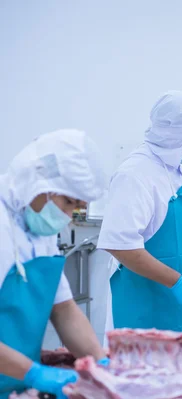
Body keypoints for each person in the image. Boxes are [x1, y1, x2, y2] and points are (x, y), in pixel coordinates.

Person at [0, 130, 108, 399]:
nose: (68, 215)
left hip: (14, 383)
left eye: (78, 207)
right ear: (37, 183)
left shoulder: (39, 230)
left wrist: (100, 365)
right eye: (68, 202)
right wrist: (35, 374)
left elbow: (64, 311)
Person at [98, 91, 182, 337]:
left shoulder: (173, 170)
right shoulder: (135, 174)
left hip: (171, 305)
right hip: (142, 308)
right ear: (181, 138)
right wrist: (177, 283)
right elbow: (121, 246)